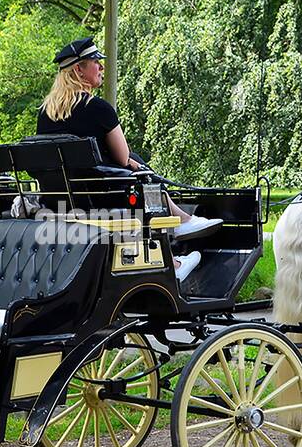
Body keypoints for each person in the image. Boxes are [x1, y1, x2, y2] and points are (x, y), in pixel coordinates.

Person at [37, 38, 221, 283]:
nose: (102, 67)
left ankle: (180, 228)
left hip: (60, 200)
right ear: (79, 69)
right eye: (95, 62)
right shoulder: (99, 108)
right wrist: (131, 162)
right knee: (137, 167)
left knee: (134, 166)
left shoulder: (45, 113)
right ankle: (175, 253)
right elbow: (122, 156)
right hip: (103, 198)